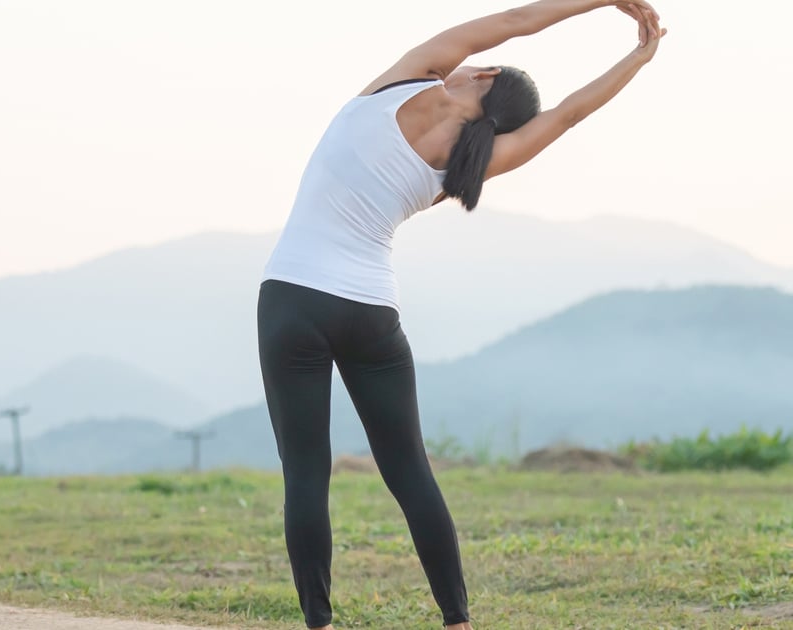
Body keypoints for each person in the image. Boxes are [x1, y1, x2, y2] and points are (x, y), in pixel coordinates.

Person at [256, 1, 666, 628]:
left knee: (306, 473)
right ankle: (458, 620)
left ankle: (319, 622)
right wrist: (639, 57)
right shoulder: (470, 162)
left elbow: (517, 22)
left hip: (291, 299)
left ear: (481, 75)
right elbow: (570, 114)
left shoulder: (410, 76)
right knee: (410, 470)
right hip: (370, 310)